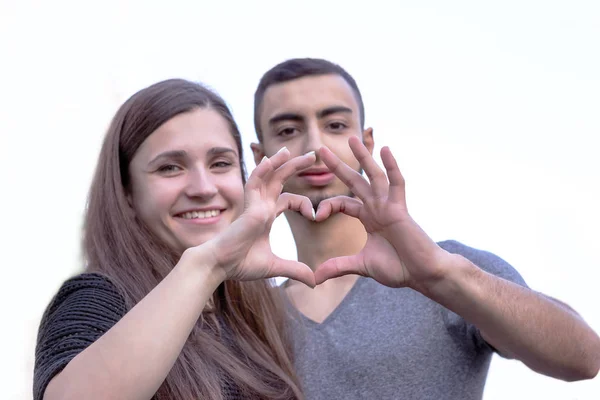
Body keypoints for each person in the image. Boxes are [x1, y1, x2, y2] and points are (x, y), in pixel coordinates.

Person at [250, 58, 600, 400]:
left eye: (336, 125)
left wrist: (442, 277)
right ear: (259, 156)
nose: (315, 146)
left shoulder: (446, 269)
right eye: (288, 131)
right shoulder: (249, 317)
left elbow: (584, 358)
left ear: (366, 143)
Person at [33, 78, 320, 400]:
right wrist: (206, 265)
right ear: (126, 191)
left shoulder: (254, 306)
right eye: (170, 168)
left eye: (221, 163)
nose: (203, 187)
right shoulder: (99, 297)